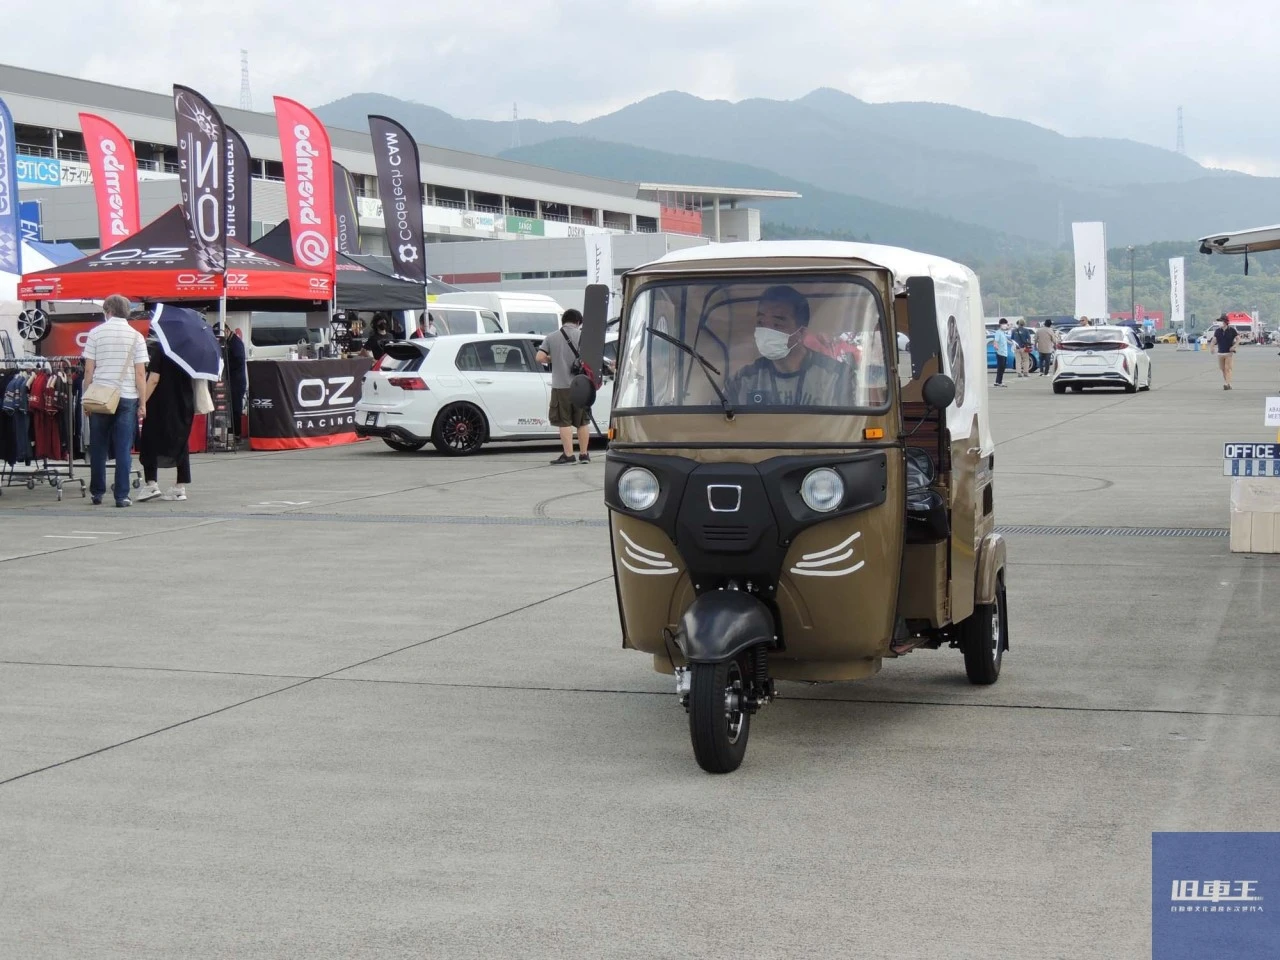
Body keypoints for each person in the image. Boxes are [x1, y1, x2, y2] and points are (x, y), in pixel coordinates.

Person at [724, 285, 851, 407]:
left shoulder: (837, 377)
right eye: (760, 322)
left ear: (801, 333)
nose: (767, 332)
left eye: (777, 324)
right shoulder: (743, 380)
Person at [82, 294, 148, 507]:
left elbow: (88, 370)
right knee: (123, 448)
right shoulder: (137, 337)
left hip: (101, 396)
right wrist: (143, 403)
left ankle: (97, 493)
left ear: (108, 311)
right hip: (127, 396)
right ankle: (121, 496)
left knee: (98, 447)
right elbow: (140, 374)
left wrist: (86, 398)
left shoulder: (95, 333)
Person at [136, 334, 195, 502]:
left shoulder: (162, 350)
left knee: (150, 440)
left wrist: (142, 402)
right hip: (184, 403)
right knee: (181, 442)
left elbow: (154, 379)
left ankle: (151, 483)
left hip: (160, 404)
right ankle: (180, 487)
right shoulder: (189, 353)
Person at [536, 308, 593, 465]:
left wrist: (552, 358)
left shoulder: (551, 337)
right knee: (583, 421)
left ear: (563, 321)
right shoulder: (585, 336)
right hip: (581, 386)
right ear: (578, 322)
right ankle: (584, 454)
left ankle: (568, 455)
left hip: (561, 386)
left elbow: (539, 357)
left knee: (564, 421)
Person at [1210, 314, 1239, 390]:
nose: (1219, 322)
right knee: (1223, 369)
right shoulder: (1217, 331)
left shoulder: (1232, 330)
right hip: (1220, 353)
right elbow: (1214, 340)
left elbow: (1238, 339)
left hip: (1229, 353)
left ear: (1225, 322)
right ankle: (1228, 383)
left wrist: (1234, 346)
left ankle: (1226, 384)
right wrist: (1212, 347)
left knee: (1227, 369)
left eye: (1221, 321)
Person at [992, 318, 1011, 387]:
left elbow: (1006, 340)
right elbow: (995, 341)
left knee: (1003, 368)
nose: (1005, 325)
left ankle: (999, 381)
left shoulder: (1003, 333)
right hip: (1000, 353)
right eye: (1004, 324)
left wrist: (1012, 343)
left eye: (1006, 324)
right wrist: (996, 346)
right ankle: (998, 382)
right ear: (1000, 325)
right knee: (1000, 368)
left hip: (1004, 353)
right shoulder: (998, 332)